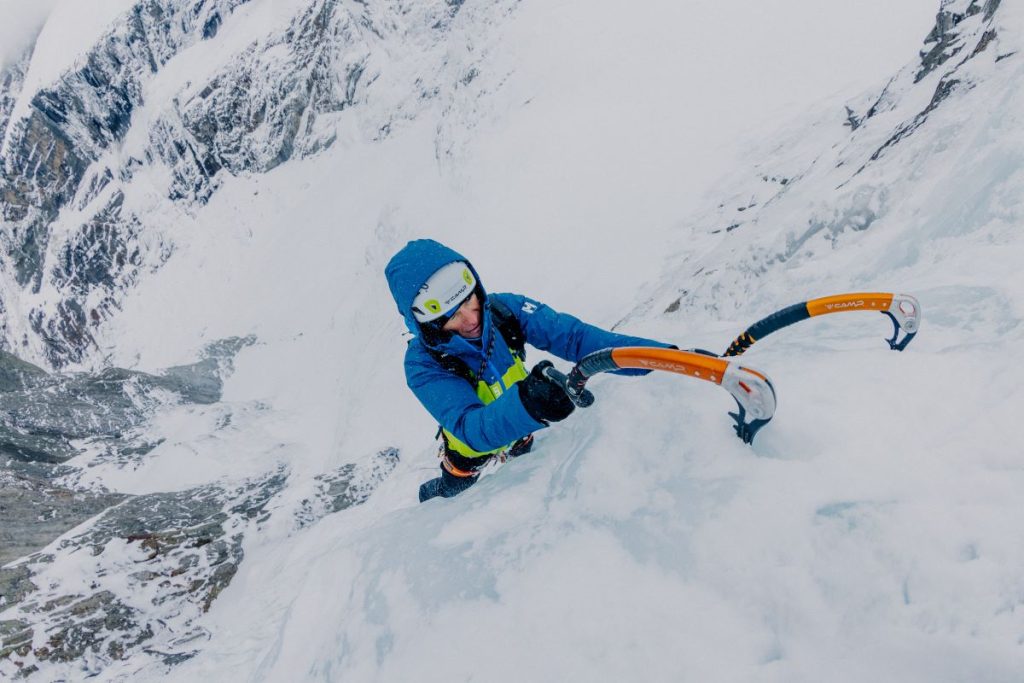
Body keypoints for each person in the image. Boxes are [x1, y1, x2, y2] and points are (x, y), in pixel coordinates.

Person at [385, 239, 673, 502]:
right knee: (453, 491)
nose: (472, 318)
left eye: (470, 300)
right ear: (429, 325)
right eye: (453, 316)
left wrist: (667, 358)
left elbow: (577, 339)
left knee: (523, 476)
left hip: (521, 428)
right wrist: (528, 404)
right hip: (472, 450)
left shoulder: (503, 311)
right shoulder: (422, 364)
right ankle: (434, 492)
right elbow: (469, 427)